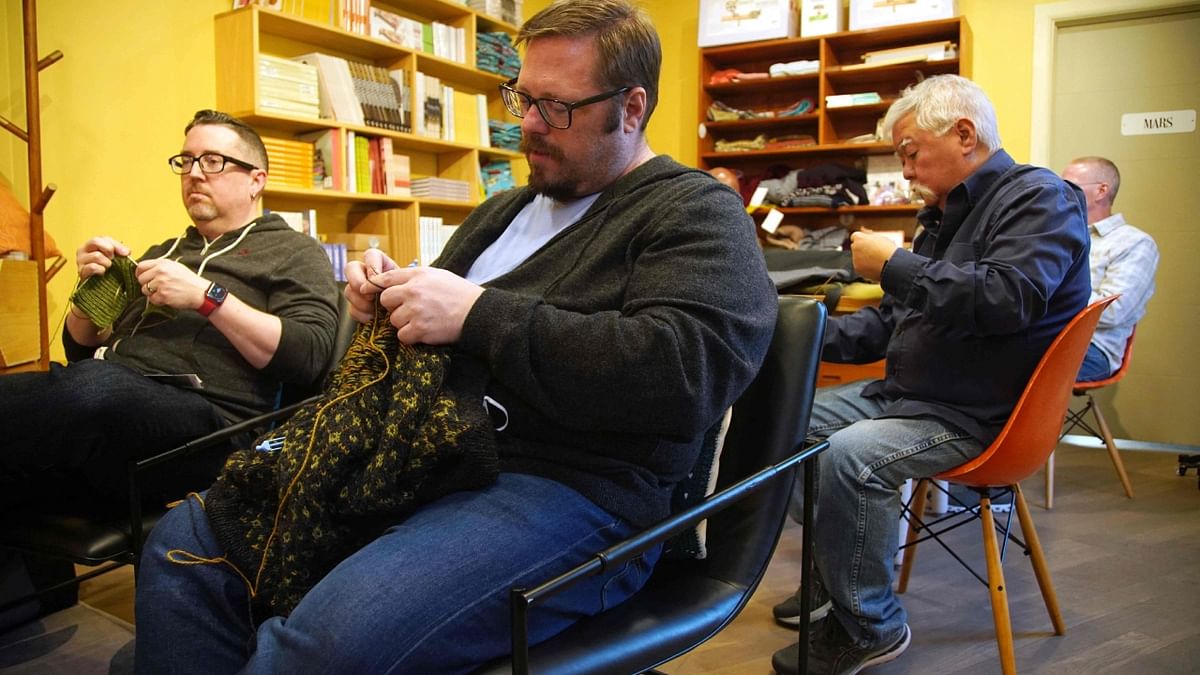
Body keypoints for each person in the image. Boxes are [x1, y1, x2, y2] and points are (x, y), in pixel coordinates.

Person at [133, 2, 777, 672]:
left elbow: (685, 374)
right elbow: (437, 322)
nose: (528, 124)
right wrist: (387, 302)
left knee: (325, 647)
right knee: (189, 541)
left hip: (569, 486)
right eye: (522, 98)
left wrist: (477, 314)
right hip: (429, 451)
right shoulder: (504, 209)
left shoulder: (693, 209)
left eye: (555, 106)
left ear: (632, 106)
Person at [769, 74, 1091, 675]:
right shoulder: (941, 217)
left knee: (849, 457)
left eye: (910, 153)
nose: (907, 171)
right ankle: (836, 583)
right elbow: (888, 326)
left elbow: (1005, 300)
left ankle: (870, 627)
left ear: (964, 134)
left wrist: (894, 264)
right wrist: (784, 338)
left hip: (980, 415)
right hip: (911, 397)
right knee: (779, 425)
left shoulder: (1041, 199)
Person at [0, 109, 340, 510]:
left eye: (213, 161)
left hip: (212, 428)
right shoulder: (164, 252)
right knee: (23, 470)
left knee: (94, 389)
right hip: (112, 413)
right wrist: (91, 293)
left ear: (256, 180)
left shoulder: (295, 251)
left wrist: (207, 297)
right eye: (186, 161)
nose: (195, 173)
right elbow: (83, 348)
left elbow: (309, 357)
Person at [1061, 156, 1158, 381]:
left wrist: (1054, 292)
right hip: (1044, 336)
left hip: (1092, 349)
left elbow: (1114, 311)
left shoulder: (1134, 243)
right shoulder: (1060, 234)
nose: (1060, 192)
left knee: (997, 368)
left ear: (1102, 191)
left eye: (1069, 185)